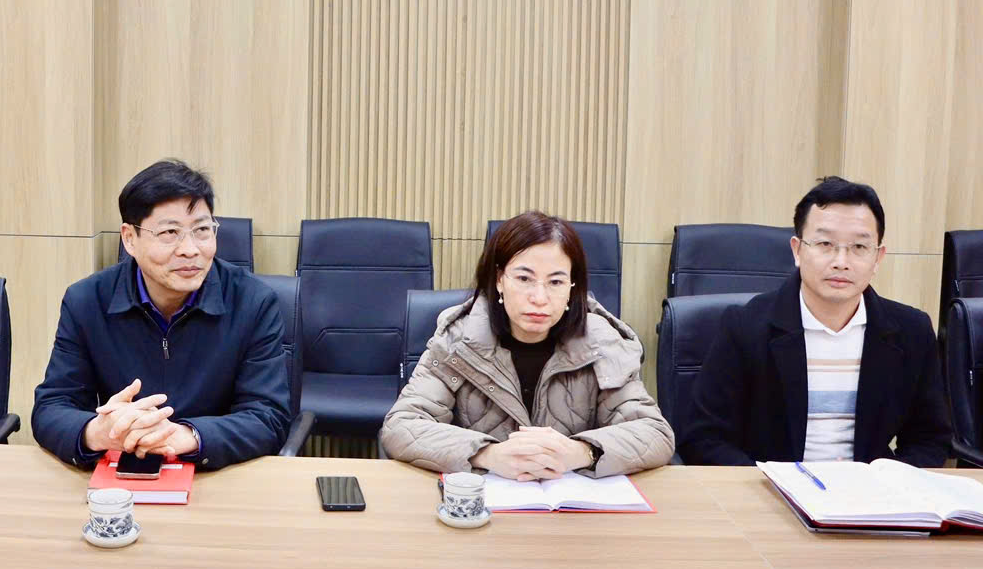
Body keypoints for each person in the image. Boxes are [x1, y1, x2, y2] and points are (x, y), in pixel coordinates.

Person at [32, 159, 290, 470]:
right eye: (170, 232)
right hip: (120, 475)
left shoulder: (253, 302)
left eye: (202, 230)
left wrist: (187, 435)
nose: (190, 249)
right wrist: (97, 432)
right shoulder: (87, 301)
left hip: (216, 472)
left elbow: (268, 417)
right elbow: (51, 407)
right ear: (130, 238)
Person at [680, 176, 951, 466]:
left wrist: (889, 481)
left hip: (869, 490)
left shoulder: (912, 331)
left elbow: (930, 439)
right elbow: (704, 438)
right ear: (797, 250)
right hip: (769, 487)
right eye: (825, 243)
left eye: (859, 247)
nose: (841, 262)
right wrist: (767, 482)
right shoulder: (745, 327)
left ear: (878, 258)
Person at [380, 211, 674, 478]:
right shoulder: (460, 339)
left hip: (571, 509)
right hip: (482, 505)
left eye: (556, 282)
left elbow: (654, 433)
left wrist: (581, 452)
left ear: (572, 287)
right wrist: (487, 454)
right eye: (524, 278)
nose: (540, 298)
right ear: (499, 279)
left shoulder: (599, 341)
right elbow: (402, 426)